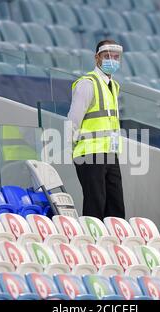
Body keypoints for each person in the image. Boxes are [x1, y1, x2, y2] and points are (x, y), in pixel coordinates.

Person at [67, 39, 126, 220]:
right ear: (97, 58)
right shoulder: (87, 83)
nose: (112, 60)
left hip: (109, 153)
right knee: (95, 205)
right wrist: (74, 147)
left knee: (116, 206)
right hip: (90, 153)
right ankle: (91, 245)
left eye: (116, 57)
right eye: (107, 56)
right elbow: (73, 120)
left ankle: (113, 245)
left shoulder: (114, 86)